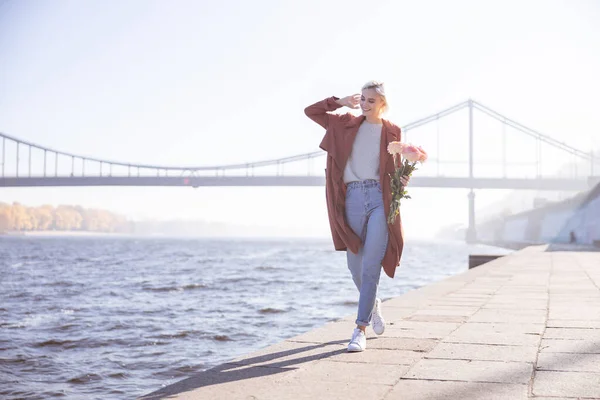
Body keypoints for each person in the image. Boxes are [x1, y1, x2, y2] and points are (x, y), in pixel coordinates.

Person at [304, 81, 408, 352]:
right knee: (355, 267)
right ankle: (373, 305)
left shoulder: (392, 131)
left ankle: (359, 329)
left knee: (371, 265)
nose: (364, 104)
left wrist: (403, 180)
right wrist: (339, 102)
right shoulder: (344, 124)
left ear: (382, 103)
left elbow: (395, 170)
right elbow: (311, 111)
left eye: (371, 100)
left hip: (378, 200)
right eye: (362, 99)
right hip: (350, 198)